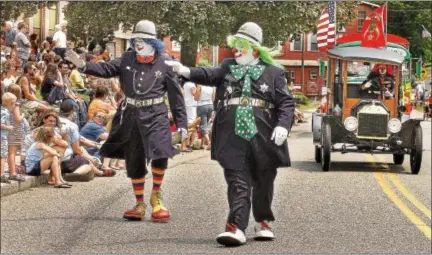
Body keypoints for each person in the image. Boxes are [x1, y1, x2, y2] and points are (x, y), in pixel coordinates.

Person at [166, 22, 295, 246]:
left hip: (264, 135)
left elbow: (286, 103)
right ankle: (236, 227)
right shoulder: (227, 66)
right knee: (238, 180)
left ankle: (263, 220)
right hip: (231, 133)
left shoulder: (274, 73)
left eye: (241, 45)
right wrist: (185, 70)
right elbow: (208, 73)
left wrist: (283, 125)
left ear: (255, 49)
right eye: (234, 44)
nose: (236, 49)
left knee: (264, 178)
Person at [65, 20, 188, 222]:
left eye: (144, 40)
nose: (139, 44)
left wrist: (182, 124)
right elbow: (105, 69)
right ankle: (139, 204)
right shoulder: (127, 58)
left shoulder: (166, 63)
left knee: (160, 152)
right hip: (131, 114)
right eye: (136, 40)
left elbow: (176, 97)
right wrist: (84, 65)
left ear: (154, 42)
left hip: (156, 114)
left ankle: (156, 197)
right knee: (134, 158)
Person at [1, 92, 17, 183]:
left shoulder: (3, 110)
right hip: (2, 137)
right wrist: (8, 127)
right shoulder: (4, 112)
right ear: (10, 103)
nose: (15, 105)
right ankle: (1, 175)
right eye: (14, 103)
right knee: (2, 156)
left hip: (3, 137)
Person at [194, 84, 215, 150]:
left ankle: (209, 142)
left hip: (201, 105)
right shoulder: (211, 86)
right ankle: (202, 144)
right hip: (210, 105)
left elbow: (196, 98)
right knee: (207, 125)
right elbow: (213, 98)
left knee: (202, 125)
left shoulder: (200, 86)